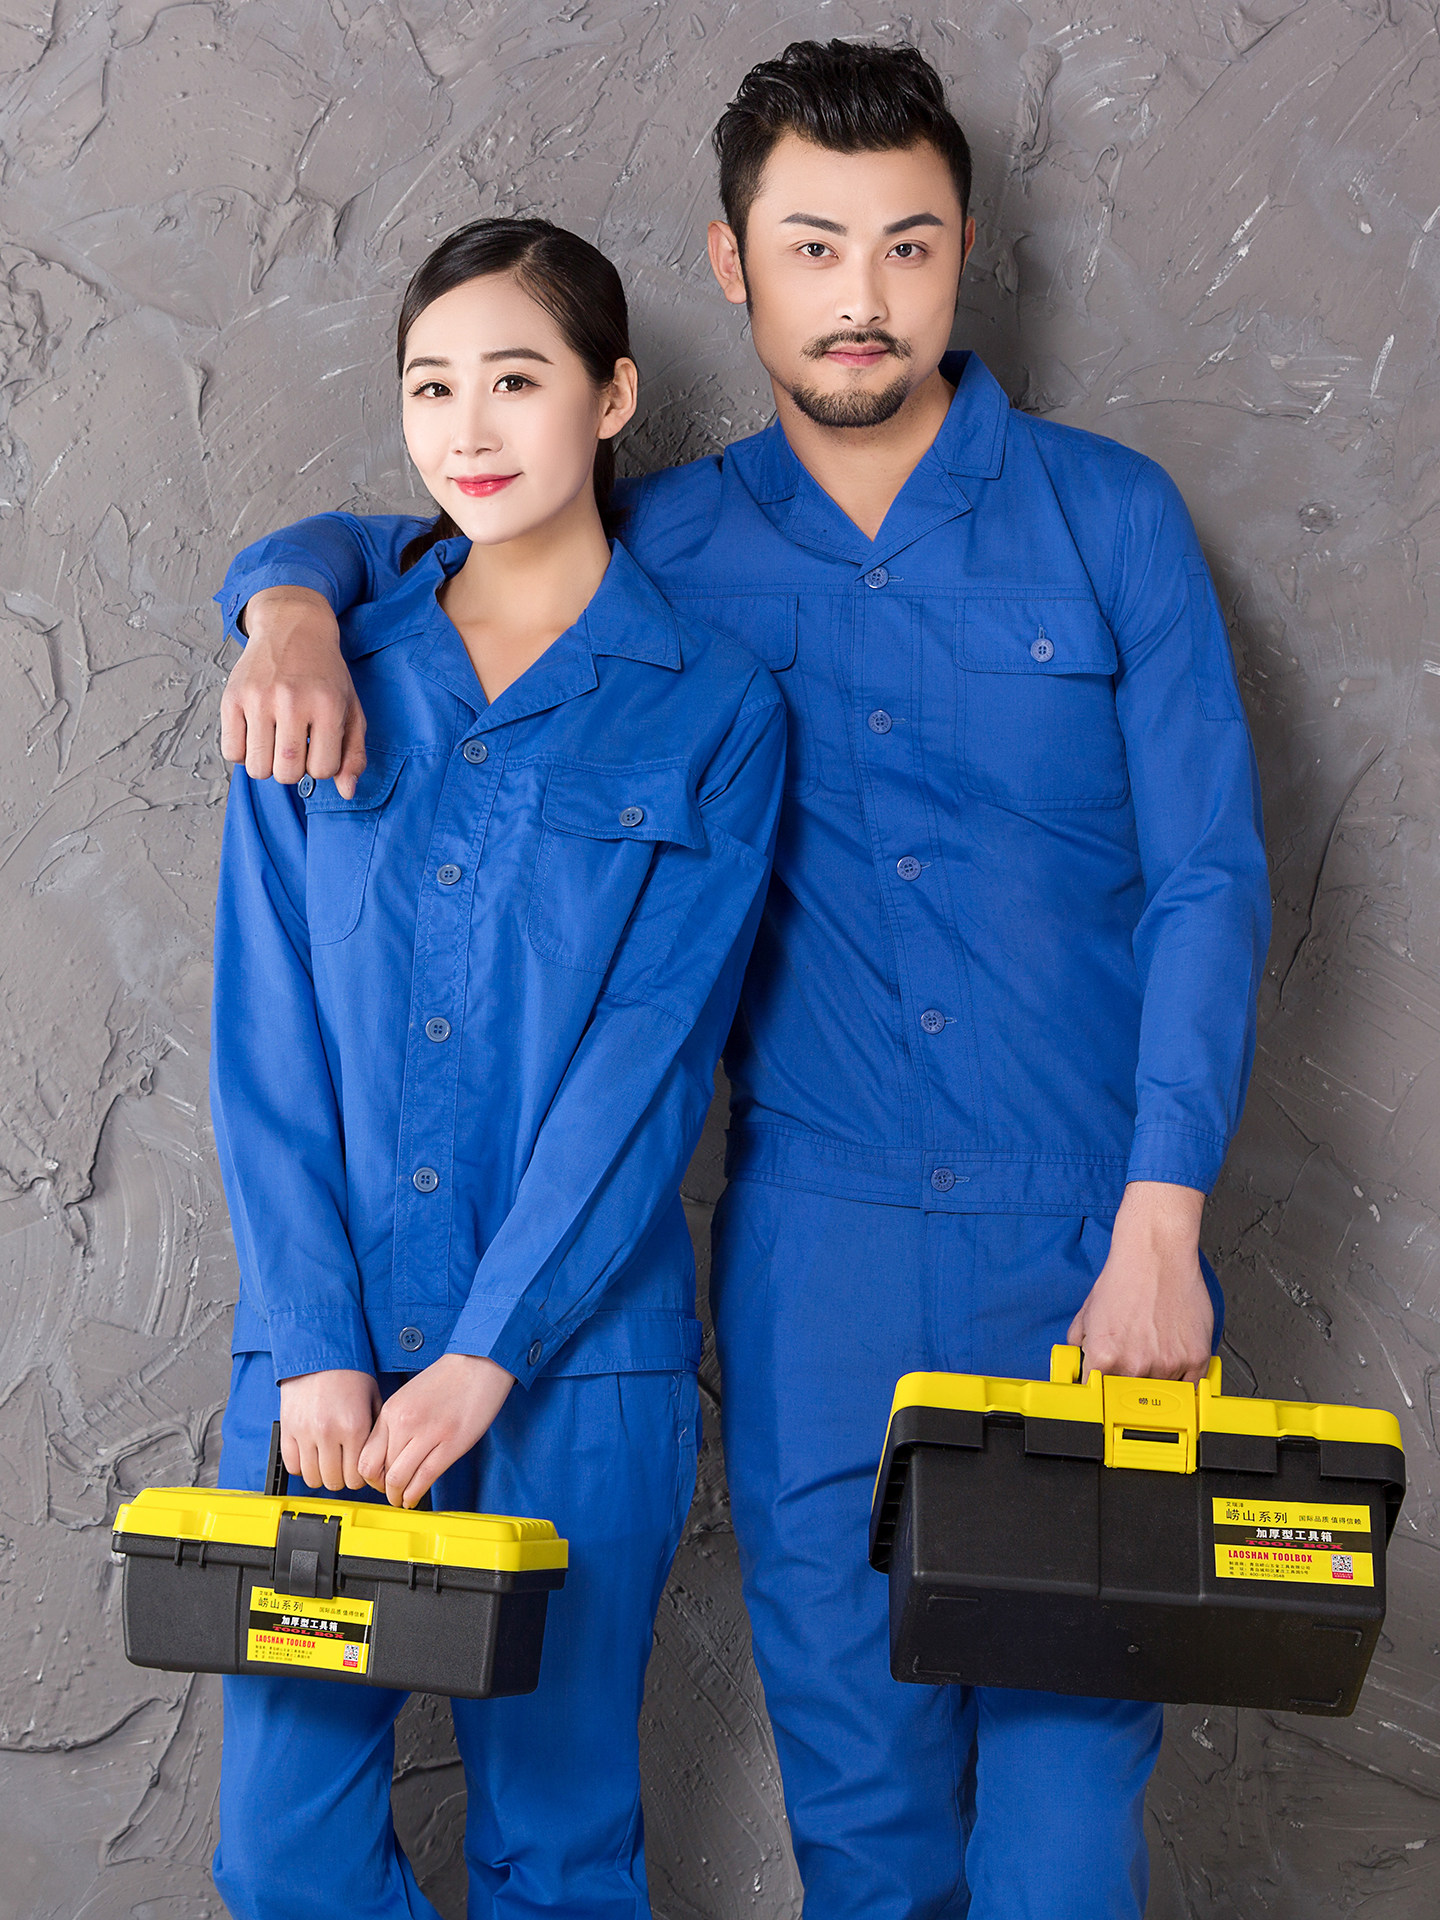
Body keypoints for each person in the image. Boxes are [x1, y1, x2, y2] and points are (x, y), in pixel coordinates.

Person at [215, 42, 1270, 1920]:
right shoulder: (675, 545)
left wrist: (1165, 1211)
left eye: (907, 246)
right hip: (814, 1264)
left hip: (1095, 1238)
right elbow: (450, 538)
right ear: (734, 265)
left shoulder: (1110, 520)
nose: (861, 297)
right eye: (811, 248)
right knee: (862, 1819)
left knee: (1061, 1831)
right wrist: (283, 598)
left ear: (963, 255)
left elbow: (1209, 879)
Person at [207, 216, 785, 1920]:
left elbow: (648, 1063)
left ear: (613, 398)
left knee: (561, 1847)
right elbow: (264, 1039)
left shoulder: (712, 708)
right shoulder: (320, 675)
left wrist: (487, 1355)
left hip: (573, 1370)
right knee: (281, 1853)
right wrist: (317, 1342)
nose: (467, 429)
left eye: (515, 381)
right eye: (430, 387)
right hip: (318, 1368)